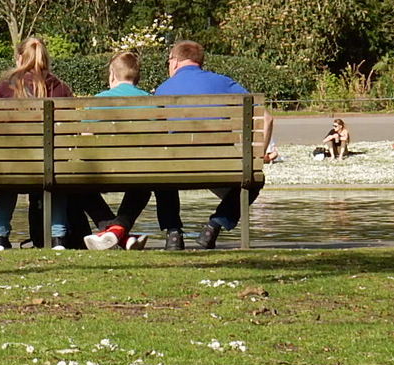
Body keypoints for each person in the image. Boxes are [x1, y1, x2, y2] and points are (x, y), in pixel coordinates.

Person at [152, 40, 271, 250]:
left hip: (176, 167)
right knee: (253, 180)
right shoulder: (224, 83)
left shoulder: (162, 90)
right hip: (219, 163)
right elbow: (267, 118)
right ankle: (214, 225)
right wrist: (258, 156)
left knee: (162, 172)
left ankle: (173, 233)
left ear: (175, 61)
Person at [0, 38, 70, 251]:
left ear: (19, 58)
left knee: (8, 169)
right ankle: (58, 238)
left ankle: (0, 236)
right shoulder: (60, 87)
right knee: (57, 170)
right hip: (51, 164)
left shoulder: (7, 86)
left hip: (14, 163)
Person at [75, 51, 157, 252]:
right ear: (137, 76)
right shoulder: (151, 101)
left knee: (78, 187)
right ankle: (120, 233)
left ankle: (112, 231)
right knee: (143, 187)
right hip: (140, 170)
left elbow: (84, 140)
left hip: (102, 169)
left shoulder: (97, 101)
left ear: (112, 75)